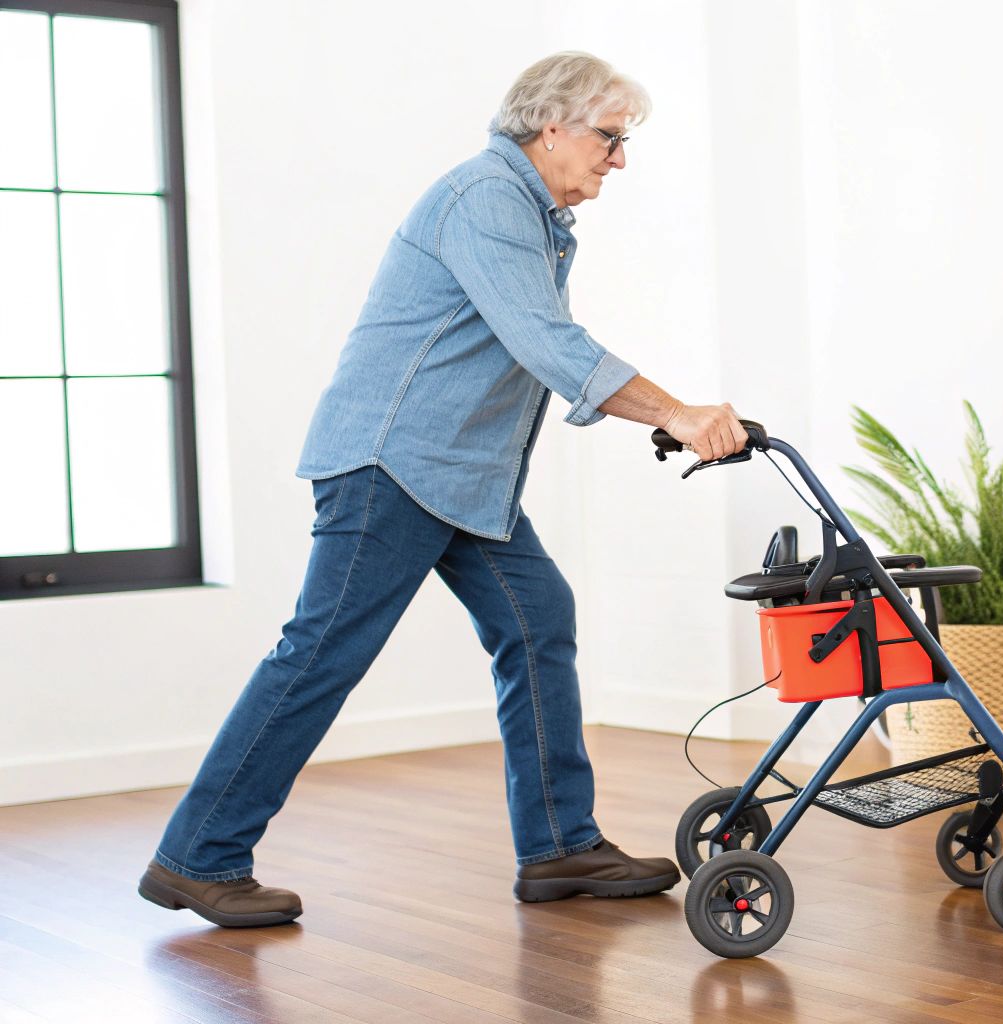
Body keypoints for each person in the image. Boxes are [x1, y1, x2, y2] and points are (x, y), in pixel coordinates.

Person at [137, 52, 745, 928]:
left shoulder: (533, 215)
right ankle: (197, 857)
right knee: (320, 654)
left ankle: (559, 846)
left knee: (538, 621)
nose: (619, 161)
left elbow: (542, 344)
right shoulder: (488, 199)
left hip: (461, 475)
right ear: (553, 127)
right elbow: (546, 341)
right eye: (611, 139)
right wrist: (678, 412)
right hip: (394, 465)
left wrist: (662, 410)